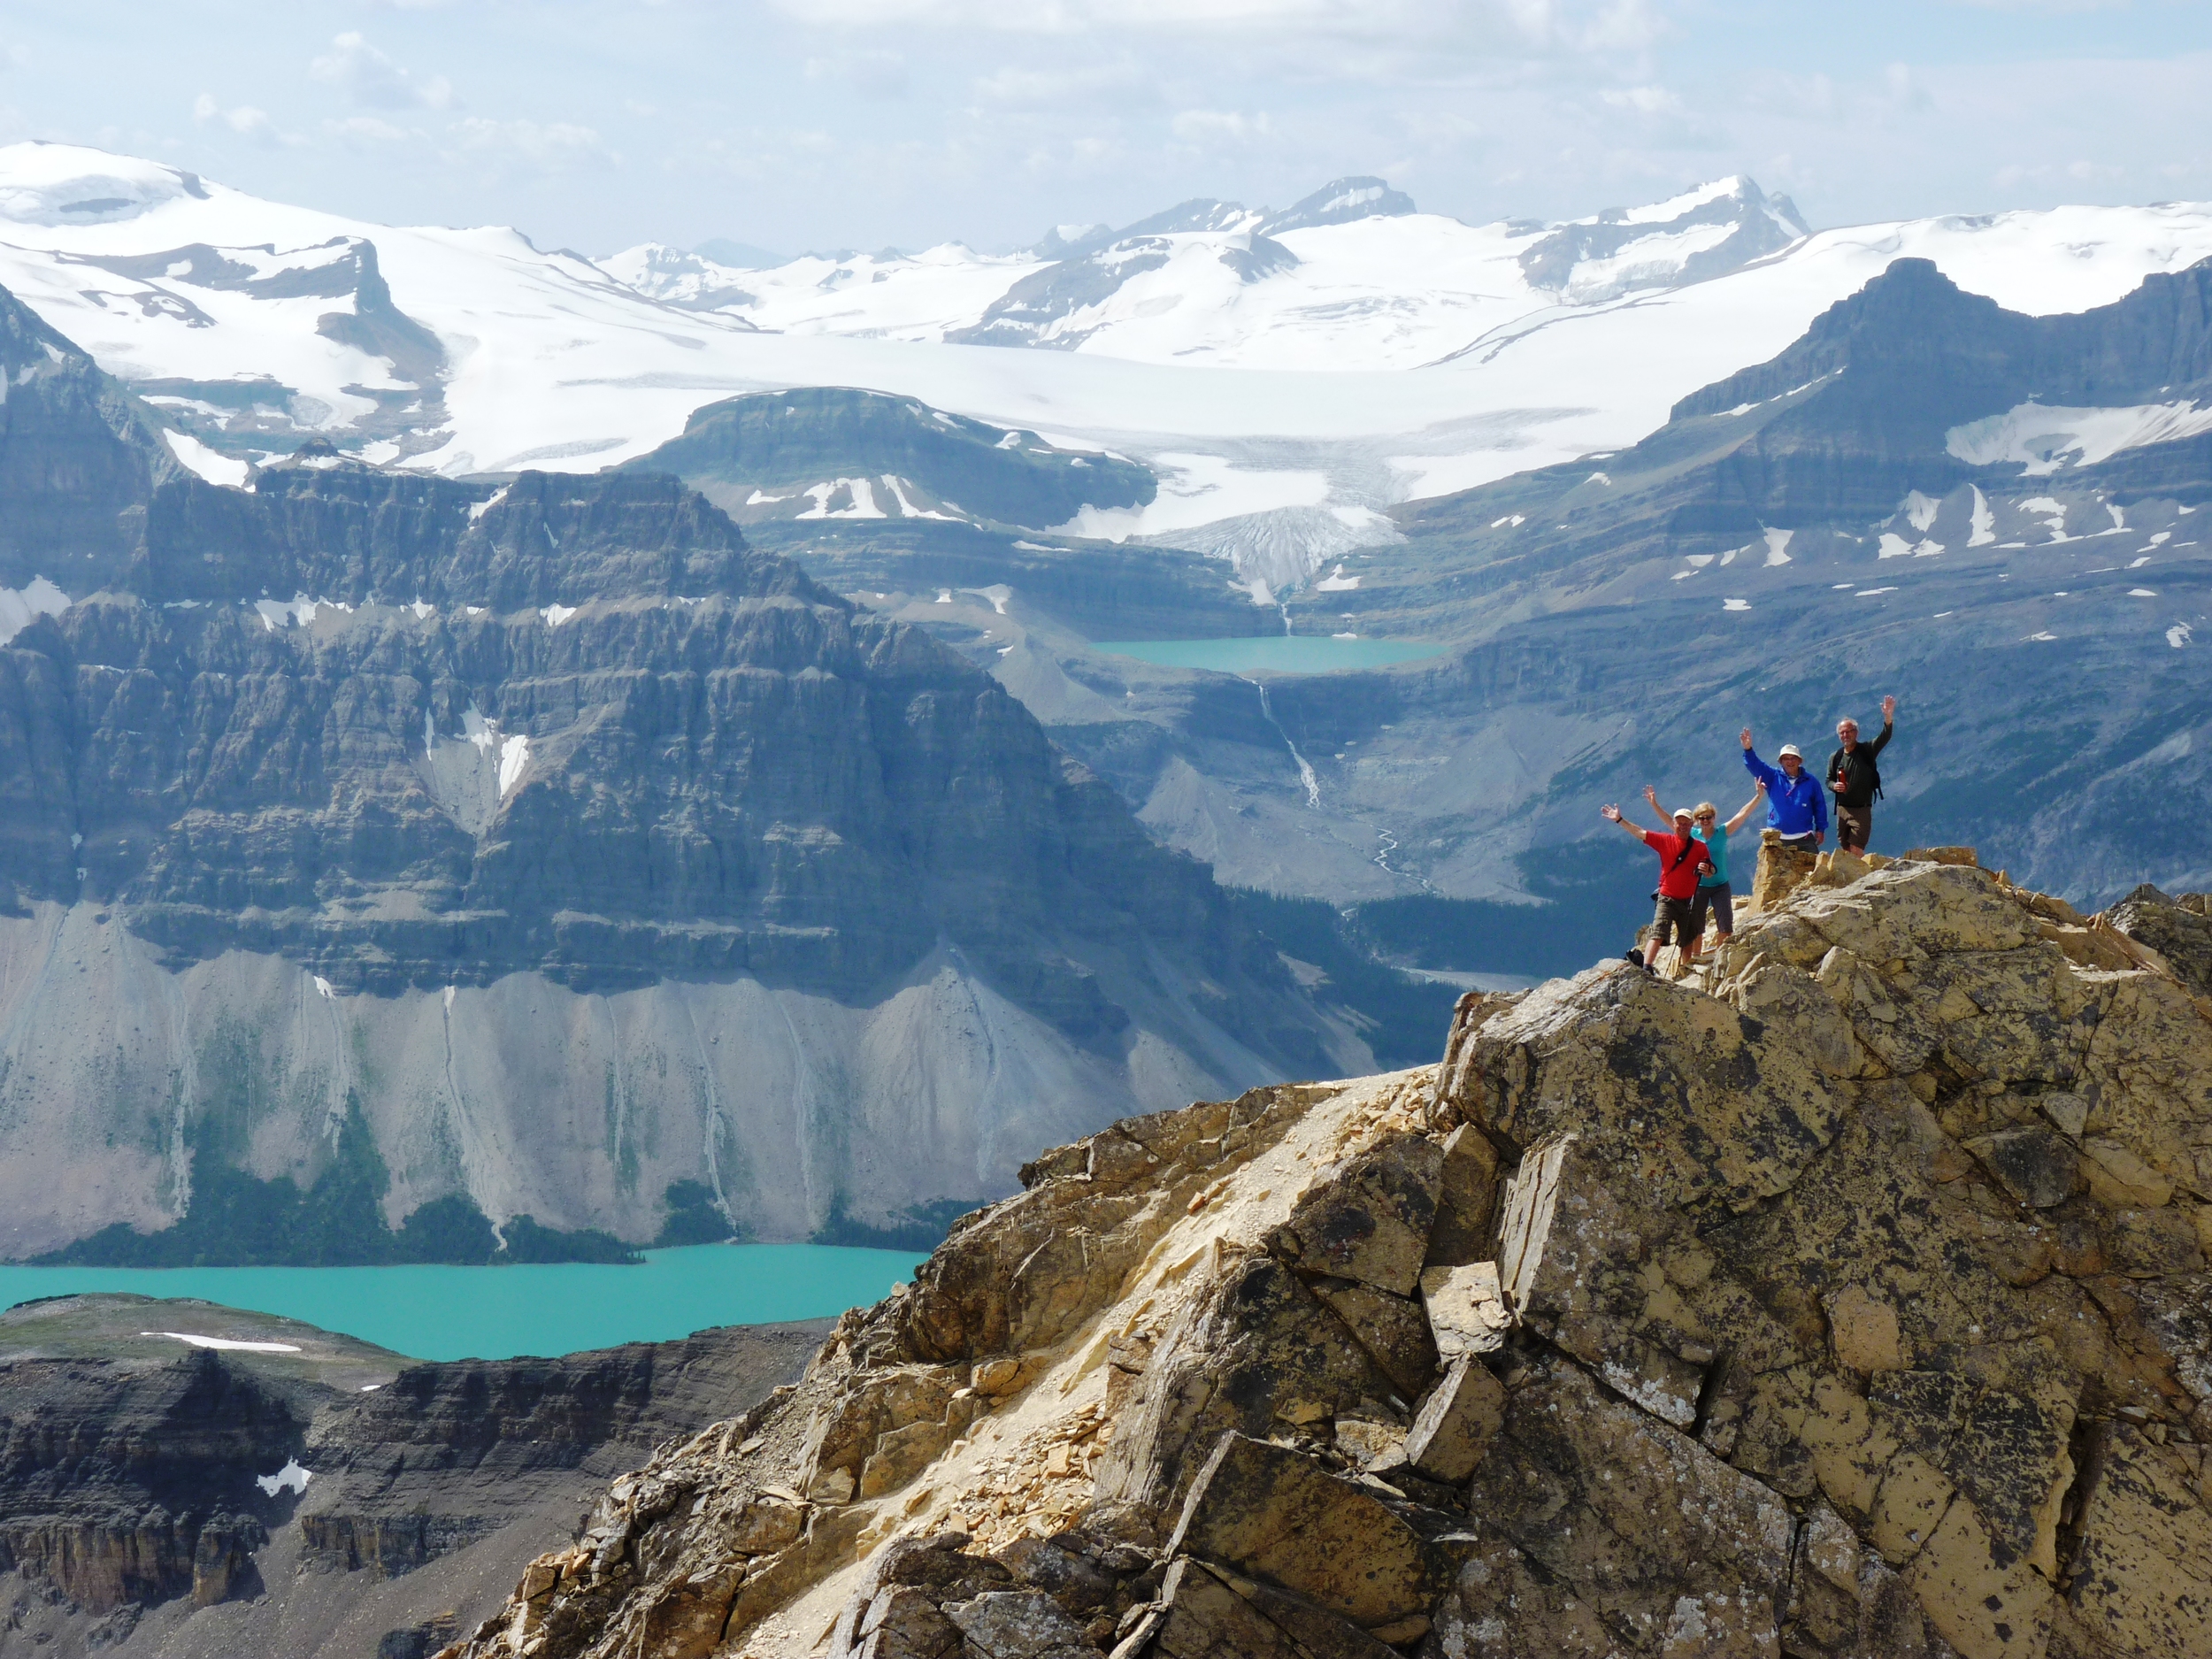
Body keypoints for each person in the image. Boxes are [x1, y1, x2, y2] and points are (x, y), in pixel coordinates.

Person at [1643, 782, 1764, 959]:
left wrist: (1758, 796)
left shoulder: (1722, 832)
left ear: (1714, 818)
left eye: (1708, 817)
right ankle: (1695, 958)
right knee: (1696, 927)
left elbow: (1742, 815)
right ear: (1696, 820)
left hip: (1721, 885)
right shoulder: (1692, 834)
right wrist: (1654, 804)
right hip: (1697, 886)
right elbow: (1671, 821)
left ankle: (1722, 957)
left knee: (1725, 924)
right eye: (1701, 818)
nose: (1705, 821)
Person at [1601, 798, 1714, 971]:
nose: (1682, 826)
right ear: (1674, 824)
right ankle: (1647, 967)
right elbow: (1639, 832)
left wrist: (1706, 870)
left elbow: (1711, 870)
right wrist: (1619, 820)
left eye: (1686, 823)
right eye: (1679, 823)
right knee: (1658, 932)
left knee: (1687, 938)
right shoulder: (1664, 841)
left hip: (1687, 900)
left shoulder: (1700, 848)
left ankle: (1685, 969)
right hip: (1667, 897)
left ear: (1692, 825)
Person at [1827, 695, 1898, 853]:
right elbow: (1828, 780)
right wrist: (1834, 786)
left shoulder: (1867, 750)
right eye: (1842, 733)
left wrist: (1888, 716)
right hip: (1842, 809)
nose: (1845, 735)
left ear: (1856, 733)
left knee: (1856, 850)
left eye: (1848, 732)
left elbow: (1885, 737)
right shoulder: (1836, 757)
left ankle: (1859, 876)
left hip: (1861, 810)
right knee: (1845, 850)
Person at [1740, 727, 1827, 849]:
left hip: (1805, 838)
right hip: (1776, 838)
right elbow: (1756, 766)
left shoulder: (1811, 782)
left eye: (1793, 758)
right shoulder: (1772, 777)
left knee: (1810, 868)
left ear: (1799, 761)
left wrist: (1820, 829)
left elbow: (1820, 807)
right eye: (1786, 758)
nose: (1790, 762)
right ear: (1781, 761)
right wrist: (1748, 749)